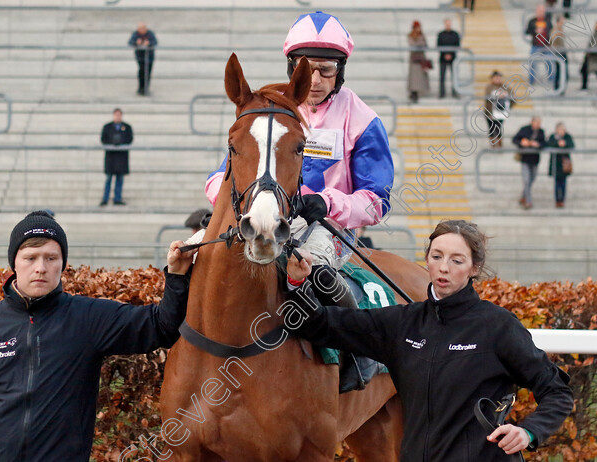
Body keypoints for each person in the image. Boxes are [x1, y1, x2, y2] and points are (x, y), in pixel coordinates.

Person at [204, 11, 394, 390]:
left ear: (342, 69)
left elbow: (378, 201)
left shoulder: (363, 120)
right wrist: (242, 204)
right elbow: (221, 178)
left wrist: (328, 203)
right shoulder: (270, 110)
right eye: (311, 70)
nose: (318, 80)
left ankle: (358, 357)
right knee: (199, 261)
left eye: (328, 70)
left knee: (315, 272)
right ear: (294, 68)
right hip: (264, 215)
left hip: (328, 226)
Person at [284, 219, 574, 461]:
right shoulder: (402, 323)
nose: (444, 268)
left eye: (456, 260)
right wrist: (296, 283)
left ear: (474, 268)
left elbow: (557, 390)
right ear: (427, 260)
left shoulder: (498, 326)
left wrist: (529, 431)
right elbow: (323, 326)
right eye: (437, 257)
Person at [0, 211, 194, 462]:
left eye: (51, 258)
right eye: (30, 258)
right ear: (14, 262)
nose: (40, 268)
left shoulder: (88, 318)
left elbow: (162, 326)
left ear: (62, 264)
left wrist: (178, 274)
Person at [99, 108, 133, 206]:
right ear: (113, 115)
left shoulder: (127, 127)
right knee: (108, 179)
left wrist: (120, 144)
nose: (118, 116)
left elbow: (130, 139)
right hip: (111, 157)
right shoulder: (107, 127)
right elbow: (103, 139)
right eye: (116, 115)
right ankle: (105, 198)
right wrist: (112, 144)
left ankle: (117, 199)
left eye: (119, 115)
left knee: (120, 179)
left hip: (121, 158)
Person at [512, 117, 546, 210]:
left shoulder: (541, 132)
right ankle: (528, 201)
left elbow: (544, 143)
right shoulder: (524, 130)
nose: (538, 125)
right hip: (525, 159)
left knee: (532, 179)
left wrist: (538, 145)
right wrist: (522, 142)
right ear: (532, 122)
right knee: (526, 180)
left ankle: (523, 196)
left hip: (535, 160)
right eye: (536, 122)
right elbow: (515, 139)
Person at [547, 122, 574, 208]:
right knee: (557, 183)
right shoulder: (553, 137)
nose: (562, 131)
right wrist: (557, 144)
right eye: (560, 129)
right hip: (555, 163)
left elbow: (572, 145)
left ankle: (562, 200)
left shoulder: (567, 137)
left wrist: (564, 143)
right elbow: (549, 144)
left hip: (564, 163)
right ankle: (557, 200)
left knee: (563, 183)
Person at [525, 4, 553, 85]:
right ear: (536, 11)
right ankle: (531, 81)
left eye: (542, 11)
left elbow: (552, 32)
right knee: (533, 63)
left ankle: (551, 80)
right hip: (536, 45)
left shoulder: (548, 21)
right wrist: (535, 31)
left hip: (546, 46)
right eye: (540, 11)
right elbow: (527, 31)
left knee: (550, 63)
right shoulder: (532, 21)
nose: (541, 12)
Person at [128, 21, 157, 96]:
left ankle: (146, 88)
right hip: (140, 57)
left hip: (149, 58)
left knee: (148, 73)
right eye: (140, 28)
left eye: (143, 28)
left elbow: (154, 42)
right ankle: (141, 88)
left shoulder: (150, 34)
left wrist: (149, 43)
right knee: (141, 72)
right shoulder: (136, 34)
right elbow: (131, 42)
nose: (142, 30)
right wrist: (137, 43)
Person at [484, 71, 512, 147]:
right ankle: (493, 143)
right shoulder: (489, 87)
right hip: (490, 111)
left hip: (501, 111)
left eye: (499, 78)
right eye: (496, 78)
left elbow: (512, 97)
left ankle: (499, 143)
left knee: (498, 127)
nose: (498, 79)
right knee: (491, 128)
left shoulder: (505, 87)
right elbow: (488, 99)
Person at [436, 18, 461, 99]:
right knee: (442, 77)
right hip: (443, 58)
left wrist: (450, 54)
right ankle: (442, 93)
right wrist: (445, 54)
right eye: (447, 24)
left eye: (449, 24)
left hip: (453, 58)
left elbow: (457, 45)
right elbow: (439, 45)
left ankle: (455, 92)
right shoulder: (441, 34)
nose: (448, 25)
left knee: (454, 76)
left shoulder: (455, 34)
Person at [407, 21, 430, 104]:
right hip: (414, 59)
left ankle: (417, 91)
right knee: (413, 78)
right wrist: (420, 45)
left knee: (420, 77)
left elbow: (425, 44)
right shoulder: (411, 36)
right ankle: (413, 92)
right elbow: (413, 44)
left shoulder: (422, 35)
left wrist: (419, 45)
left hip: (421, 58)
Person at [550, 17, 569, 94]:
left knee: (563, 72)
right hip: (557, 53)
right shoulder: (555, 30)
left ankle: (560, 87)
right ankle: (558, 88)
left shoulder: (561, 30)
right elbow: (552, 40)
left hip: (562, 52)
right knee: (560, 72)